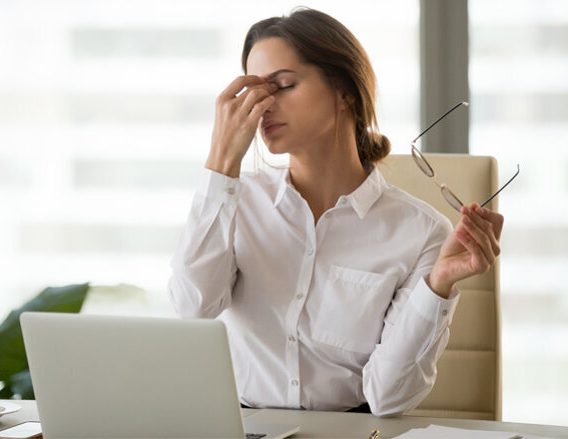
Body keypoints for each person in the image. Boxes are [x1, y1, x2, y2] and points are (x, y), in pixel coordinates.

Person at [168, 7, 504, 417]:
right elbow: (193, 307)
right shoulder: (235, 201)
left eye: (284, 85)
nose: (262, 108)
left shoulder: (421, 232)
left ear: (345, 91)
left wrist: (437, 286)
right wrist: (221, 163)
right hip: (243, 426)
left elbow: (387, 398)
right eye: (254, 93)